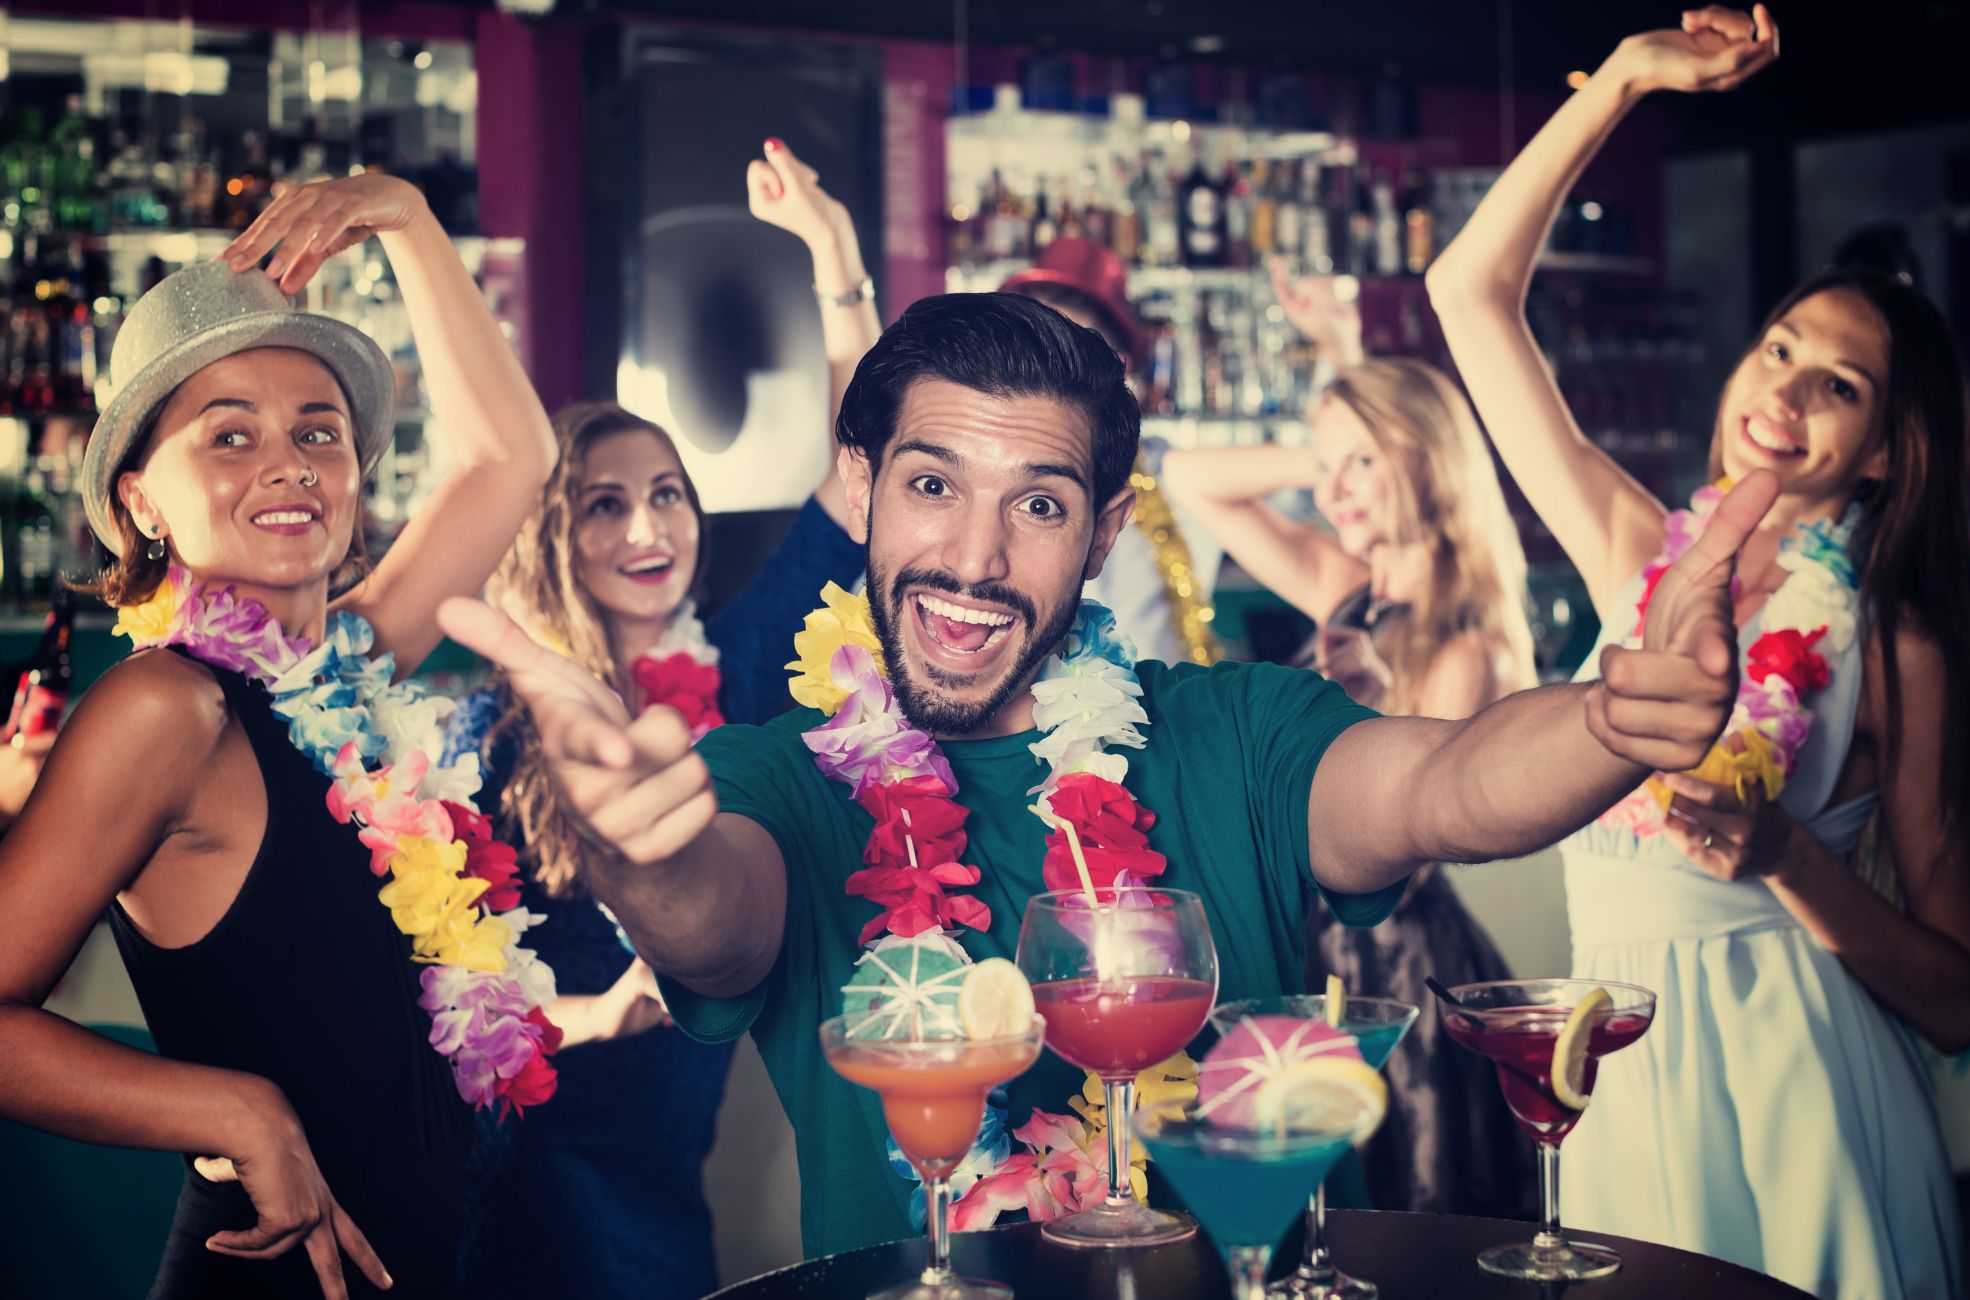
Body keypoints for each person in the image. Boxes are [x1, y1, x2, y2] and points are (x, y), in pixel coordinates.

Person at [440, 287, 1777, 1259]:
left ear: (1099, 537)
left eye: (1036, 504)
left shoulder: (1234, 731)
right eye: (930, 486)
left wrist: (1610, 724)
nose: (972, 558)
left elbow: (1446, 786)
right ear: (855, 491)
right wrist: (633, 849)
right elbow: (715, 921)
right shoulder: (781, 779)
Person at [1425, 7, 1966, 1296]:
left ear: (1887, 449)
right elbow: (1466, 291)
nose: (1778, 393)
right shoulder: (1630, 548)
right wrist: (1618, 81)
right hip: (1609, 1080)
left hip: (1795, 1101)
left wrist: (1778, 850)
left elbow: (1954, 1001)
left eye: (1835, 385)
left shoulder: (1889, 646)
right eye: (1778, 350)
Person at [0, 173, 558, 1299]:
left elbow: (511, 461)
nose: (290, 462)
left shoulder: (338, 670)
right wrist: (230, 1107)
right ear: (142, 502)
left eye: (319, 430)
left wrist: (404, 216)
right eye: (228, 436)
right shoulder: (167, 710)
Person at [447, 139, 871, 1300]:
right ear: (551, 534)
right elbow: (429, 970)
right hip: (540, 1147)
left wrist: (833, 259)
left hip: (667, 1152)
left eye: (667, 495)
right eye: (606, 505)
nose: (648, 529)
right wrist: (591, 1016)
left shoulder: (730, 664)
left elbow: (855, 478)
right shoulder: (495, 724)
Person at [1163, 344, 1535, 1217]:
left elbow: (1416, 856)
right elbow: (1188, 478)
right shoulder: (1343, 580)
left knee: (1398, 1206)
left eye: (1363, 461)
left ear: (1428, 454)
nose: (1334, 491)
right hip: (1304, 941)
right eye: (1328, 470)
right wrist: (1333, 449)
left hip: (1393, 967)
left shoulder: (1467, 642)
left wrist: (1374, 699)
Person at [1000, 236, 1221, 665]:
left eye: (1075, 357)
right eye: (1030, 346)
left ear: (1117, 372)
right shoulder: (962, 474)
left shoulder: (1166, 470)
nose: (1048, 374)